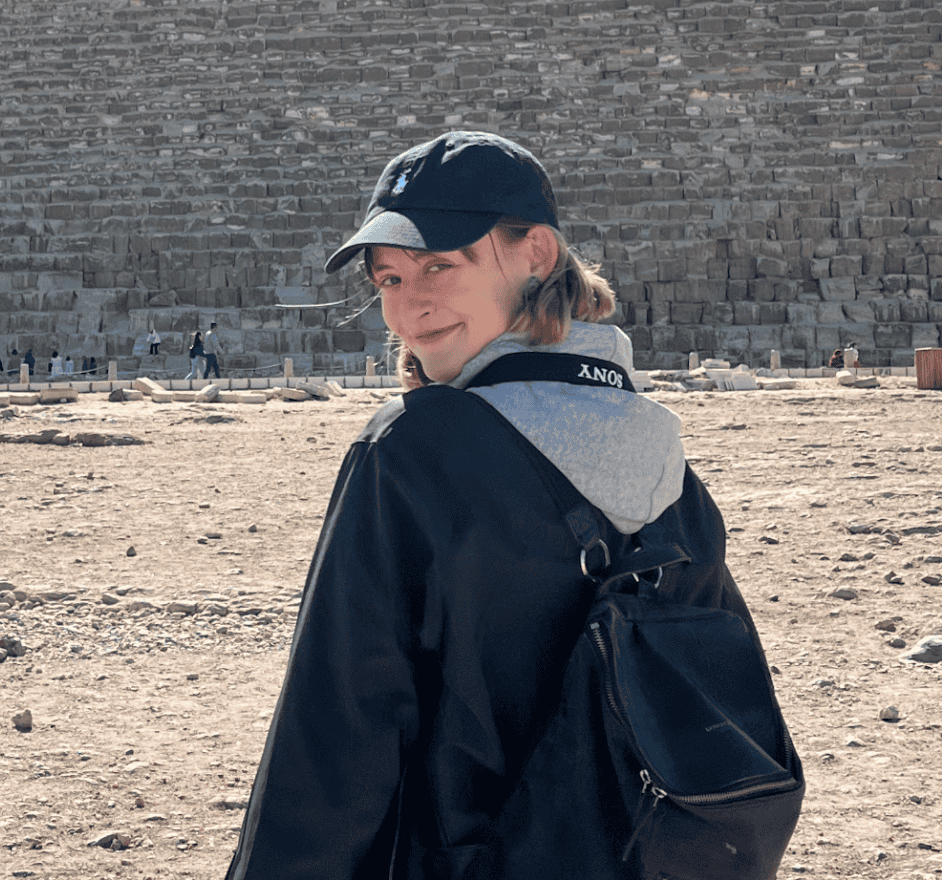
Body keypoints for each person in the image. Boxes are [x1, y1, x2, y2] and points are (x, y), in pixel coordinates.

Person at [226, 132, 768, 879]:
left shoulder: (410, 455)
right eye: (387, 280)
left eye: (440, 265)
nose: (409, 306)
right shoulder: (670, 469)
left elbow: (333, 742)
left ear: (537, 254)